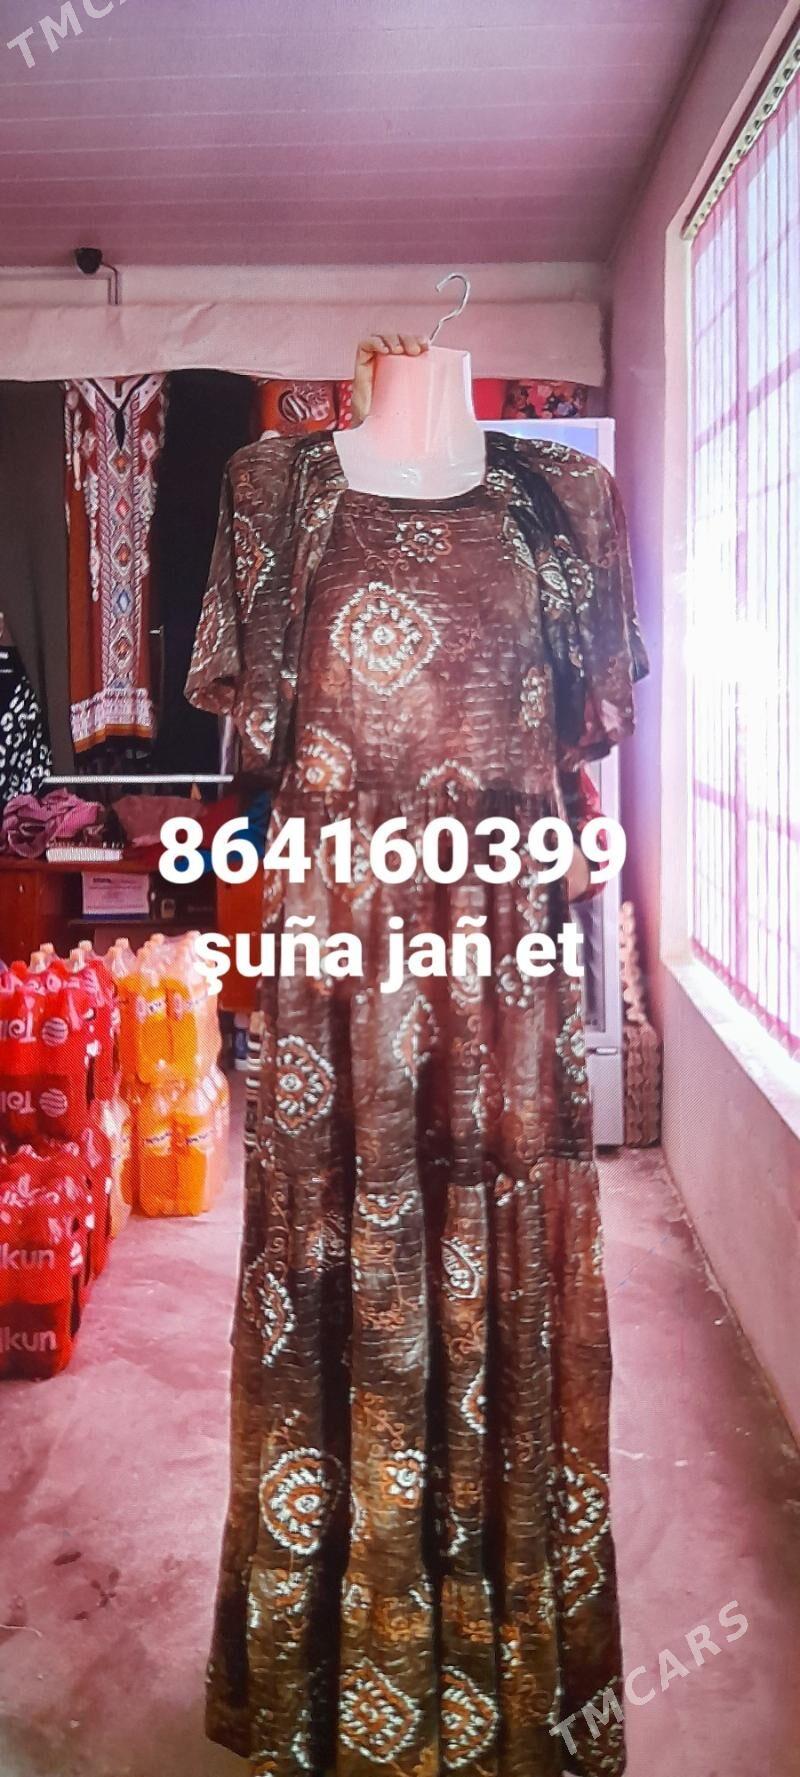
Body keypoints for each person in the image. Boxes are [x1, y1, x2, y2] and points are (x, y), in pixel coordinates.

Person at [186, 333, 648, 1777]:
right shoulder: (273, 493)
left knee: (508, 1290)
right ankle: (328, 1692)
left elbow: (585, 724)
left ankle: (504, 1680)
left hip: (502, 994)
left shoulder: (565, 503)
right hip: (333, 995)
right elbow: (259, 736)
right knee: (330, 1297)